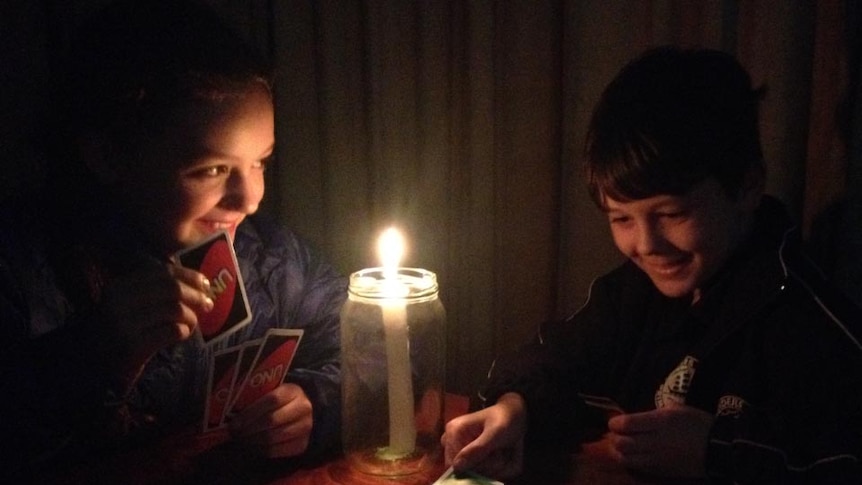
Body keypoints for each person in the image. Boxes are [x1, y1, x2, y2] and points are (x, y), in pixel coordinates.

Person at [441, 46, 862, 483]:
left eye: (672, 214)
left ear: (747, 188)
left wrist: (715, 451)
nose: (645, 245)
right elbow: (550, 357)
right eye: (621, 218)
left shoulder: (807, 323)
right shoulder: (635, 292)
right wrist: (513, 408)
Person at [0, 0, 345, 481]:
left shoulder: (269, 260)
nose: (249, 199)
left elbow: (371, 344)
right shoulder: (25, 274)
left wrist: (318, 402)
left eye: (260, 163)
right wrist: (89, 357)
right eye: (211, 170)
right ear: (107, 156)